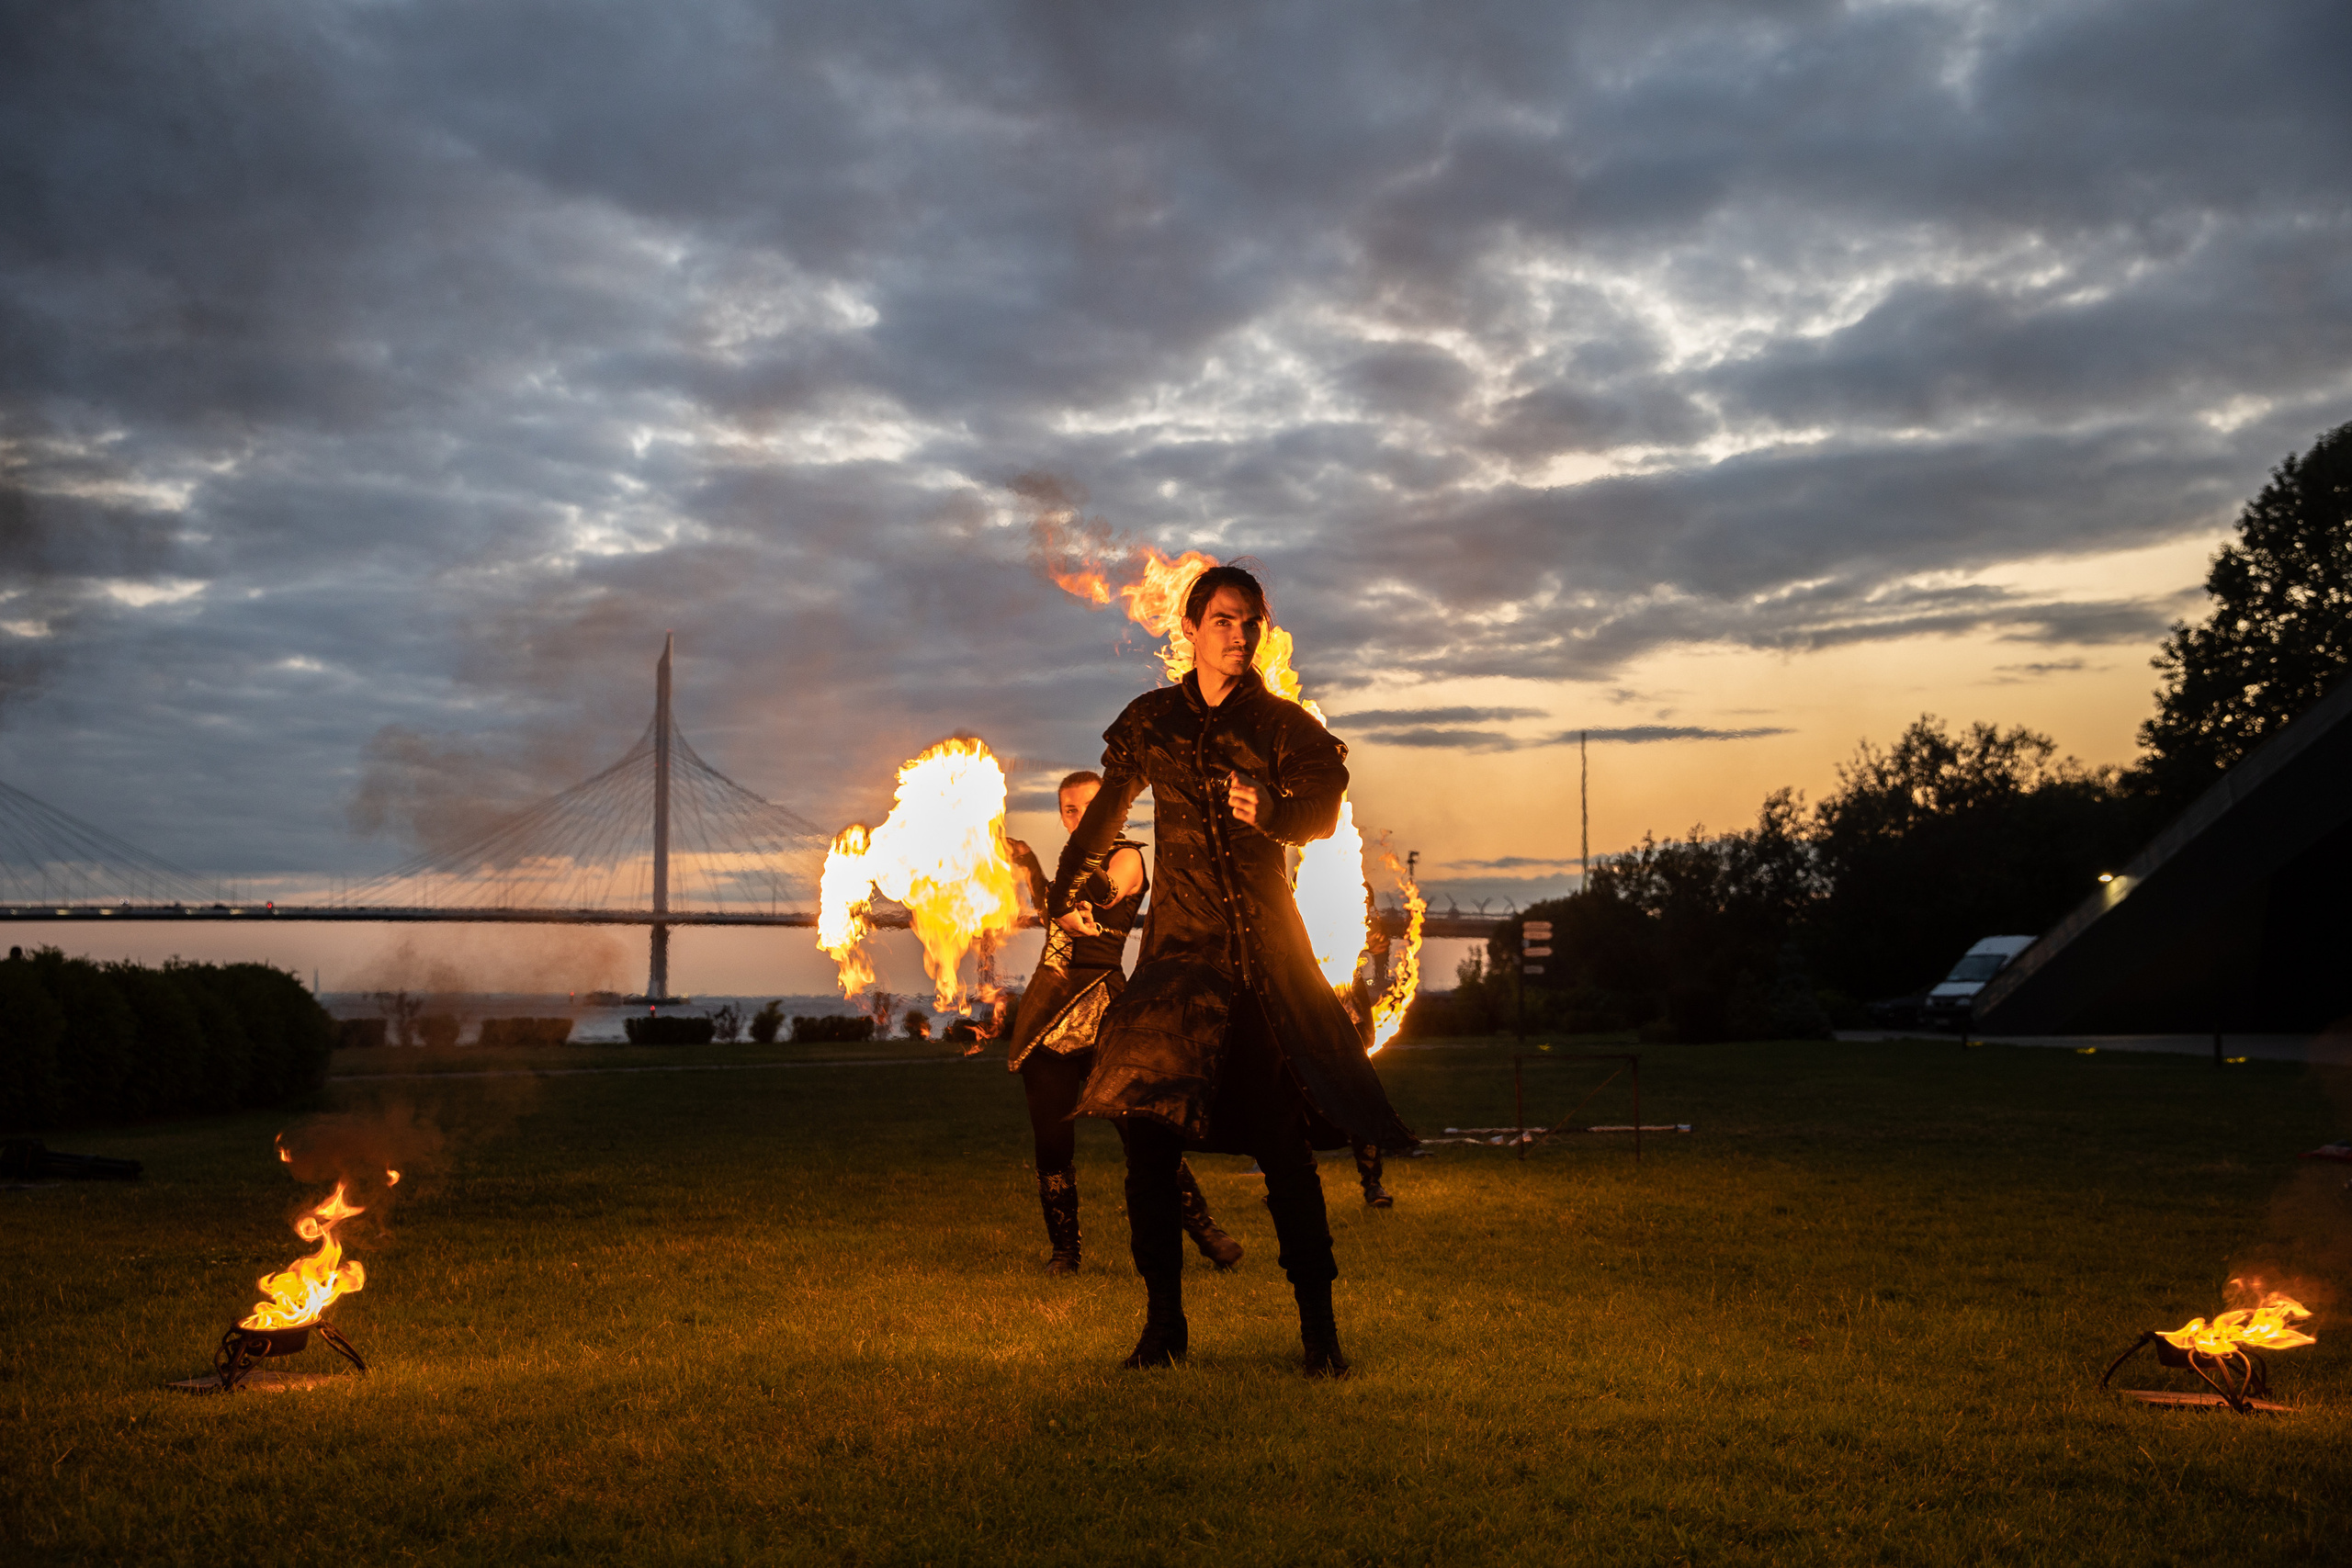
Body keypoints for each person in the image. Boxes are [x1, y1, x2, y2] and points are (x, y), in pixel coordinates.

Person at [1051, 563, 1414, 1376]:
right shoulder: (1154, 722)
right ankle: (1163, 1330)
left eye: (1249, 621)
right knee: (1144, 1143)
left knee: (1284, 1152)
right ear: (1190, 628)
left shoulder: (1282, 727)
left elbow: (1320, 812)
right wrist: (1066, 883)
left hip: (1256, 966)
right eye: (1223, 619)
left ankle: (1319, 1335)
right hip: (1175, 965)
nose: (1239, 634)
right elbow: (1108, 810)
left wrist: (1275, 813)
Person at [1002, 774, 1243, 1277]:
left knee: (1144, 1136)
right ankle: (1065, 1254)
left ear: (1112, 811)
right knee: (1051, 1145)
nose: (1078, 816)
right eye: (1069, 810)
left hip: (1107, 1010)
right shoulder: (1067, 868)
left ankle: (1207, 1231)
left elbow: (1104, 891)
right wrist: (1024, 861)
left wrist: (1053, 869)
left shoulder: (1129, 856)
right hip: (1046, 1013)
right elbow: (1054, 900)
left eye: (1090, 807)